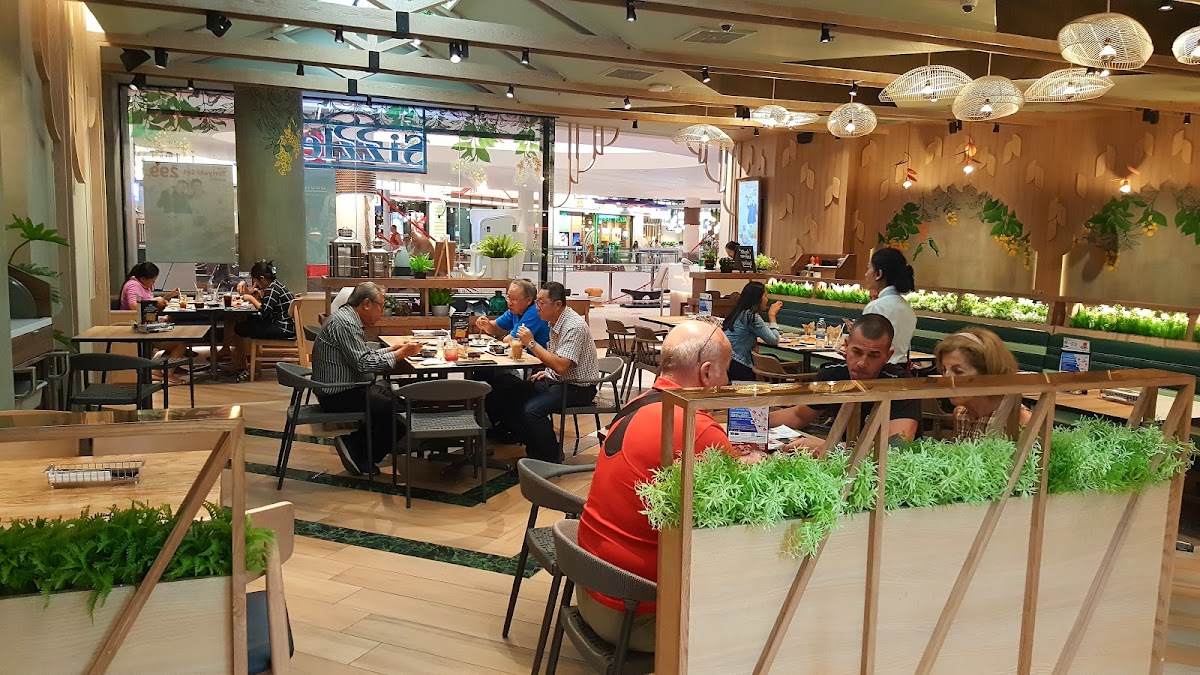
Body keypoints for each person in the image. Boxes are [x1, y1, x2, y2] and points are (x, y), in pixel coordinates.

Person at [577, 320, 741, 653]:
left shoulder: (639, 403)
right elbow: (737, 516)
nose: (727, 382)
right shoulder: (697, 427)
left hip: (591, 589)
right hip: (635, 616)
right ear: (707, 372)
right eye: (726, 371)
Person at [311, 282, 422, 475]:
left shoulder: (347, 318)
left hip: (348, 386)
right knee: (398, 413)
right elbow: (364, 364)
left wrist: (391, 350)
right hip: (338, 393)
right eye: (381, 306)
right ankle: (360, 452)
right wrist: (401, 354)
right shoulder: (345, 324)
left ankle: (356, 445)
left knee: (398, 400)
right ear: (367, 304)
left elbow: (361, 355)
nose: (382, 312)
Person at [768, 314, 920, 450]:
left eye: (873, 356)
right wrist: (758, 419)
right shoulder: (833, 376)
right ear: (846, 346)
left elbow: (896, 446)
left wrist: (828, 448)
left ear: (888, 356)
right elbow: (799, 415)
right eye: (857, 352)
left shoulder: (902, 386)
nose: (862, 363)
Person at [485, 282, 598, 462]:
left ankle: (550, 457)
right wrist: (547, 372)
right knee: (507, 394)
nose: (537, 307)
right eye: (537, 302)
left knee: (532, 410)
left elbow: (561, 366)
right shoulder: (554, 320)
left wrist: (531, 343)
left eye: (541, 303)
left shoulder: (573, 326)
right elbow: (558, 362)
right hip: (558, 380)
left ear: (558, 304)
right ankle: (532, 449)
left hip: (578, 387)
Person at [934, 326, 1032, 438]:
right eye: (944, 370)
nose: (947, 379)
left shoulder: (1020, 420)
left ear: (987, 373)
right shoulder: (961, 414)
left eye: (958, 371)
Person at [120, 262, 186, 383]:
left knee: (175, 335)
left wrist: (168, 296)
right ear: (143, 278)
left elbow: (147, 305)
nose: (154, 282)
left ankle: (156, 369)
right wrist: (155, 302)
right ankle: (168, 374)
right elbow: (134, 308)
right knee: (180, 343)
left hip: (146, 327)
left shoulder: (141, 285)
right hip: (139, 330)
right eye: (152, 280)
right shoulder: (133, 286)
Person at [231, 260, 296, 375]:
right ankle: (243, 365)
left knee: (240, 327)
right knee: (247, 322)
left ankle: (241, 367)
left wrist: (251, 299)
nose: (256, 284)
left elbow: (264, 311)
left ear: (262, 278)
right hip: (286, 325)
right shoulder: (276, 285)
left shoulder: (272, 289)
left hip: (282, 328)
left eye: (256, 281)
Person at [860, 247, 917, 365]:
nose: (866, 274)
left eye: (868, 268)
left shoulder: (876, 307)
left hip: (879, 368)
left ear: (878, 274)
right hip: (901, 369)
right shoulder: (907, 308)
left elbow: (866, 345)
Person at [722, 281, 783, 382]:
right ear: (758, 299)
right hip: (738, 364)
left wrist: (753, 342)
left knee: (772, 358)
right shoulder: (751, 316)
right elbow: (774, 340)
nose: (767, 300)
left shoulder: (738, 312)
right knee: (772, 363)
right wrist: (772, 316)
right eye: (765, 296)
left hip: (727, 360)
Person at [474, 279, 549, 348]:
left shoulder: (535, 312)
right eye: (508, 298)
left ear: (529, 300)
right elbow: (496, 327)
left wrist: (501, 337)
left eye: (514, 299)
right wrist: (487, 325)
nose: (510, 303)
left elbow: (511, 340)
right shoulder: (515, 311)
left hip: (537, 357)